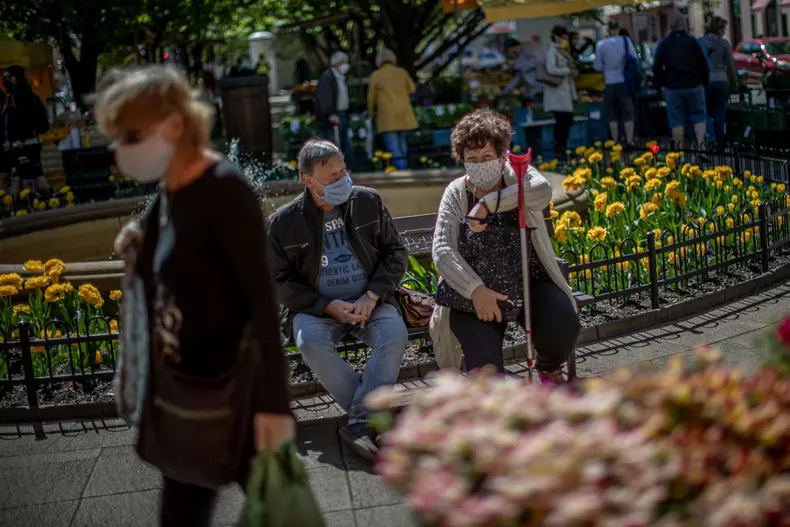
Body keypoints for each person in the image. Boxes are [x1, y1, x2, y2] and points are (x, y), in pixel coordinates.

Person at [95, 65, 295, 527]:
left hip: (233, 394)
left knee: (278, 512)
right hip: (186, 390)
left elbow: (261, 303)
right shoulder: (171, 190)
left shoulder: (225, 190)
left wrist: (274, 409)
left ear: (173, 125)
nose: (119, 150)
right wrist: (139, 242)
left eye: (128, 135)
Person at [268, 139, 408, 462]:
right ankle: (373, 419)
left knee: (394, 334)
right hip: (316, 310)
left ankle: (360, 423)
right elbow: (276, 281)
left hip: (370, 303)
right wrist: (325, 305)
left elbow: (396, 253)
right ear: (308, 180)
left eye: (344, 171)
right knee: (308, 341)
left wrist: (372, 295)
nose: (342, 180)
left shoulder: (367, 202)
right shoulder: (283, 223)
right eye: (332, 177)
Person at [430, 110, 580, 382]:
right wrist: (476, 291)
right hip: (475, 294)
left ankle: (548, 367)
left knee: (563, 320)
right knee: (485, 369)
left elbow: (541, 190)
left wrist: (489, 204)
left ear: (502, 156)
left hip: (527, 282)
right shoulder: (456, 193)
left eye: (487, 157)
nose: (480, 165)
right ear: (462, 160)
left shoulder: (518, 176)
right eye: (471, 159)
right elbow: (442, 250)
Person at [653, 12, 710, 145]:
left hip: (673, 88)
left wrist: (661, 83)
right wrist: (704, 81)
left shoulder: (664, 44)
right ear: (683, 24)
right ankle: (701, 145)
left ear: (670, 26)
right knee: (699, 116)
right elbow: (703, 63)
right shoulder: (693, 42)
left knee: (676, 120)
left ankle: (680, 151)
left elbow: (657, 67)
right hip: (694, 85)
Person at [2, 65, 51, 199]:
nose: (7, 80)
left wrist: (19, 139)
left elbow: (24, 119)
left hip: (26, 143)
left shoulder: (20, 95)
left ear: (15, 77)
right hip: (27, 142)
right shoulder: (20, 94)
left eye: (9, 77)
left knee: (34, 176)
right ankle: (17, 204)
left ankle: (50, 201)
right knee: (20, 175)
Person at [367, 48, 418, 171]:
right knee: (402, 144)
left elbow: (371, 97)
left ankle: (401, 171)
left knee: (393, 146)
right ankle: (404, 168)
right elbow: (412, 89)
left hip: (387, 116)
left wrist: (370, 113)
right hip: (404, 114)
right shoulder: (401, 72)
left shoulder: (376, 75)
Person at [594, 19, 638, 144]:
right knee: (628, 111)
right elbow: (634, 57)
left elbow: (597, 66)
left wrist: (607, 67)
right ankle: (629, 140)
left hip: (609, 82)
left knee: (612, 112)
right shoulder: (625, 41)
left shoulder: (601, 44)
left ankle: (615, 140)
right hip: (624, 81)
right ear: (618, 28)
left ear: (607, 29)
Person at [701, 16, 738, 150]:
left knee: (704, 111)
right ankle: (721, 140)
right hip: (721, 81)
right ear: (721, 28)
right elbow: (731, 65)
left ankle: (710, 139)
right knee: (719, 111)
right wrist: (734, 83)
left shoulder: (701, 42)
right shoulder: (724, 43)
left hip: (705, 81)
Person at [543, 26, 577, 158]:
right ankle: (560, 150)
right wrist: (568, 71)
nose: (565, 40)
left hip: (564, 91)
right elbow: (550, 69)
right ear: (556, 37)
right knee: (562, 121)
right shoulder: (552, 51)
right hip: (557, 92)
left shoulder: (562, 50)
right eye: (563, 37)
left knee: (566, 121)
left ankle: (563, 148)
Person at [315, 51, 354, 168]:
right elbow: (325, 96)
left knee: (344, 143)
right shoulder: (327, 77)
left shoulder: (339, 77)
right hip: (332, 116)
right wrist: (330, 113)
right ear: (338, 63)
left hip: (342, 114)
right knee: (334, 145)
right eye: (344, 62)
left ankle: (345, 168)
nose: (346, 65)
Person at [503, 33, 544, 101]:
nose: (510, 52)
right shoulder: (520, 54)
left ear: (512, 47)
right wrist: (507, 90)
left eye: (509, 50)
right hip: (533, 88)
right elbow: (518, 76)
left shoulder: (527, 47)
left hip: (540, 85)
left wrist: (516, 66)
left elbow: (537, 60)